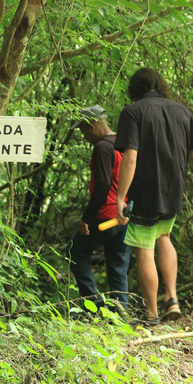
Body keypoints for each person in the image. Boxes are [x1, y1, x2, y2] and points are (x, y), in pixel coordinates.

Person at [114, 68, 193, 325]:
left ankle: (151, 314)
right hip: (173, 190)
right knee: (164, 237)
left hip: (145, 191)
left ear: (135, 88)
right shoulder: (183, 112)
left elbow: (131, 157)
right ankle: (172, 298)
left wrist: (121, 196)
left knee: (144, 249)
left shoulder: (133, 112)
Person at [66, 105, 130, 311]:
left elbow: (103, 184)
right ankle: (121, 306)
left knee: (75, 250)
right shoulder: (124, 143)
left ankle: (93, 302)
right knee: (117, 260)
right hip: (123, 215)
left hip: (106, 217)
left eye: (83, 131)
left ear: (91, 126)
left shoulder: (103, 147)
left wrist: (86, 218)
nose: (84, 136)